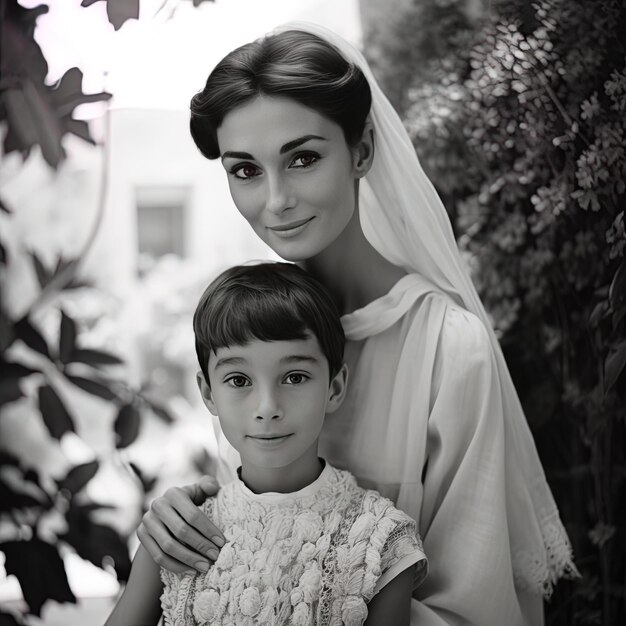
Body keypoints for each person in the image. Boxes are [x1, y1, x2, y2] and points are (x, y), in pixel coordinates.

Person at [137, 23, 578, 625]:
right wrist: (180, 522)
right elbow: (251, 521)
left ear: (363, 150)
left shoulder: (448, 350)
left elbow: (474, 611)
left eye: (303, 158)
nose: (276, 201)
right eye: (245, 170)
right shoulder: (252, 332)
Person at [105, 262, 427, 626]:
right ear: (208, 393)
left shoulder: (380, 540)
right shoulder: (179, 531)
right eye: (239, 380)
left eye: (294, 377)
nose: (268, 408)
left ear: (334, 388)